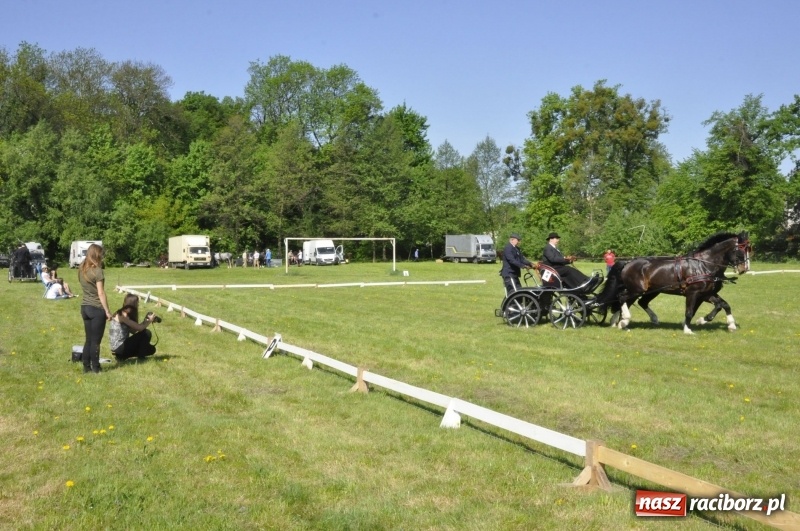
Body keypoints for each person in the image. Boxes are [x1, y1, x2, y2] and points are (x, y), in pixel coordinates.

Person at [78, 244, 111, 373]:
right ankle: (96, 368)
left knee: (88, 340)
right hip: (96, 308)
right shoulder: (97, 271)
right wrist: (107, 311)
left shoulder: (82, 269)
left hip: (85, 307)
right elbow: (101, 293)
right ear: (97, 255)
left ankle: (86, 367)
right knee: (95, 342)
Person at [109, 293, 158, 360]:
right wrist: (149, 321)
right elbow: (140, 329)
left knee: (151, 349)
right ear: (133, 304)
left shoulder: (123, 313)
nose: (138, 305)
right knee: (147, 333)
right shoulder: (123, 315)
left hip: (121, 347)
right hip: (119, 346)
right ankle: (141, 357)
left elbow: (134, 331)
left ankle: (122, 357)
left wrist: (146, 320)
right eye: (137, 303)